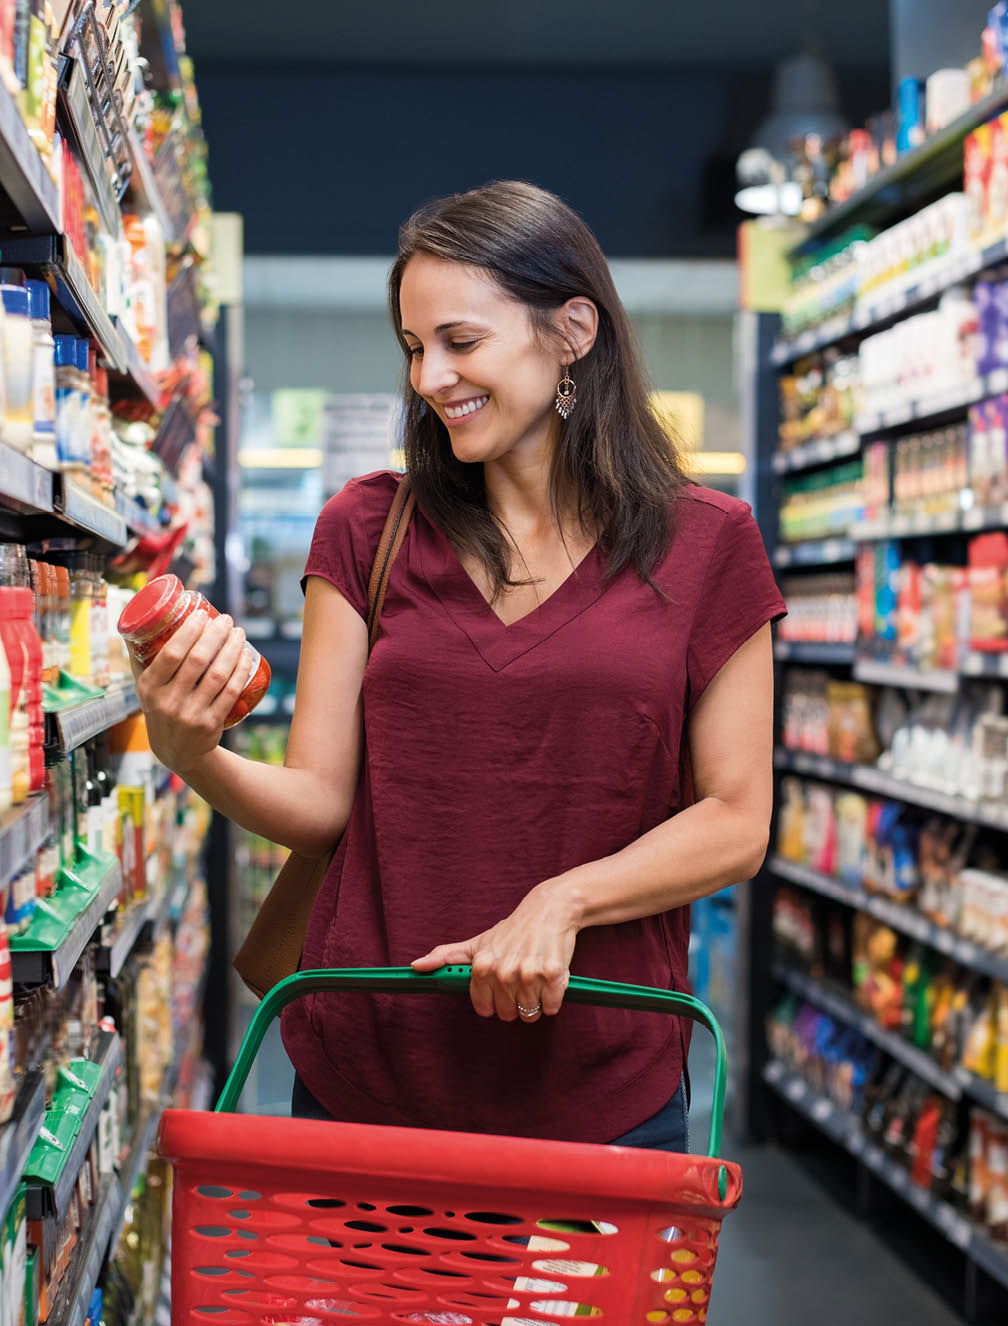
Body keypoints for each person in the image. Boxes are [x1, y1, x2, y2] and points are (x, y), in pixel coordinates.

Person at [129, 180, 785, 1152]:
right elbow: (322, 802)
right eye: (412, 347)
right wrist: (197, 757)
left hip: (600, 1082)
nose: (430, 376)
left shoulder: (707, 542)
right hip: (373, 1071)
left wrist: (563, 901)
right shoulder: (368, 526)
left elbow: (736, 819)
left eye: (460, 341)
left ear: (571, 331)